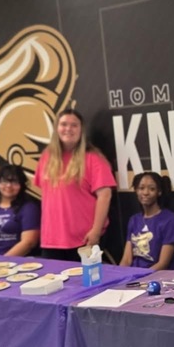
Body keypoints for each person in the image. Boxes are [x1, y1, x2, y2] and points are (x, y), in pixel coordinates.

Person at [33, 109, 116, 261]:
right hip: (51, 241)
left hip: (84, 240)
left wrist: (96, 231)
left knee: (86, 284)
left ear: (81, 130)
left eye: (74, 125)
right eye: (64, 124)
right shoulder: (47, 157)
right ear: (57, 128)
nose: (68, 129)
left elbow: (105, 195)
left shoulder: (93, 158)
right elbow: (45, 194)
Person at [119, 172, 174, 269]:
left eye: (152, 189)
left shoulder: (171, 220)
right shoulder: (134, 220)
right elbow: (126, 259)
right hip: (133, 277)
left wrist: (141, 279)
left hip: (156, 278)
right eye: (141, 188)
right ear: (136, 191)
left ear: (159, 192)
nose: (145, 192)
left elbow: (163, 264)